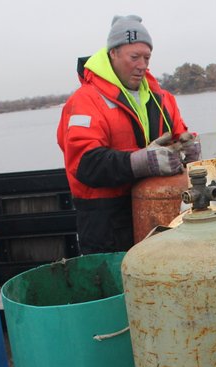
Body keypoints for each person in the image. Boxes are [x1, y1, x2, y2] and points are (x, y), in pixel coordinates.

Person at [57, 15, 200, 254]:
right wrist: (141, 161)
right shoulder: (84, 101)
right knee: (117, 288)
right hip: (106, 224)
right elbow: (84, 163)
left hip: (160, 217)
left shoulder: (162, 98)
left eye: (147, 57)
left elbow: (180, 135)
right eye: (134, 57)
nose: (142, 65)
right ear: (113, 53)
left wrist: (190, 147)